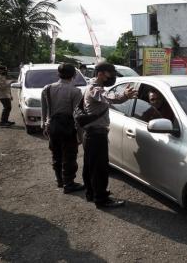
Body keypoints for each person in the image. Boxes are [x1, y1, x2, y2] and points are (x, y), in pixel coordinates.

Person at [82, 62, 137, 208]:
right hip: (96, 135)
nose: (112, 77)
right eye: (110, 74)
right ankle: (101, 199)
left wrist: (123, 96)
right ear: (100, 74)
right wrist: (124, 95)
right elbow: (108, 97)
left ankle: (91, 194)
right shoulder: (95, 88)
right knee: (99, 168)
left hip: (92, 135)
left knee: (90, 167)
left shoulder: (93, 86)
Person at [41, 63, 85, 193]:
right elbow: (77, 115)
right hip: (68, 127)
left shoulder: (47, 88)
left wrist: (44, 125)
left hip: (53, 126)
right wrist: (80, 136)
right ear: (74, 75)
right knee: (69, 156)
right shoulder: (75, 91)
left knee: (56, 154)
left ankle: (60, 180)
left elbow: (44, 109)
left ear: (58, 74)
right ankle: (69, 183)